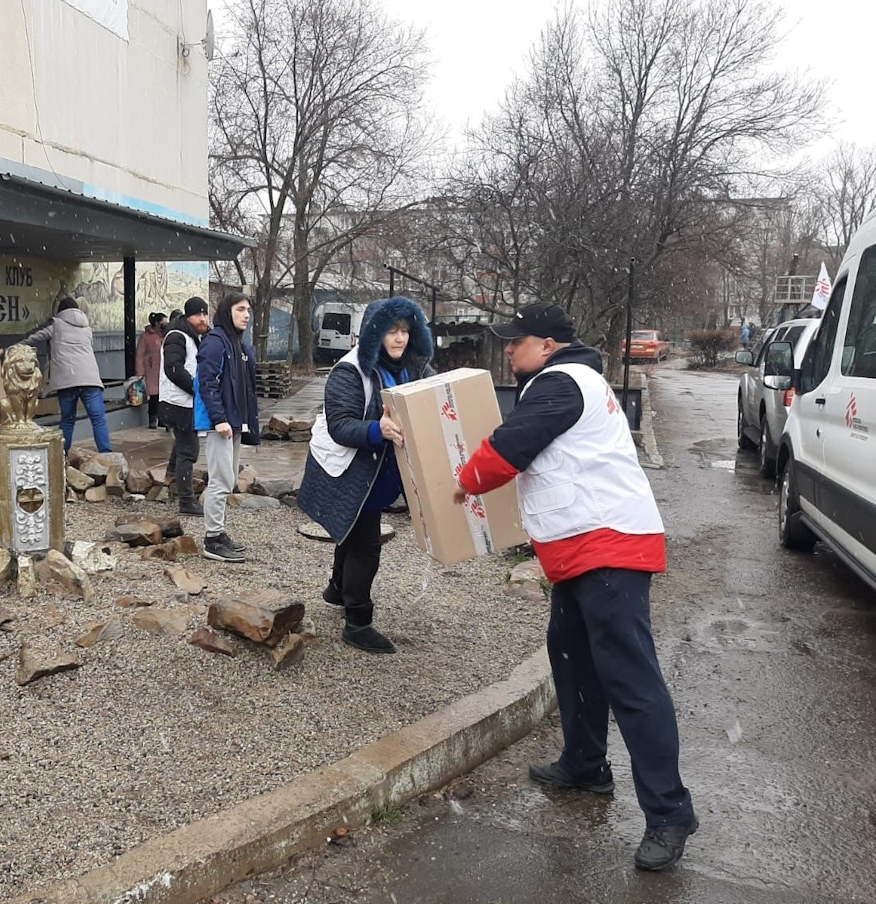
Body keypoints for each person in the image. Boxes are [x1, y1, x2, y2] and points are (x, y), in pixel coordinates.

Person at [451, 302, 696, 872]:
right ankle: (585, 765)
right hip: (583, 550)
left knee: (631, 681)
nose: (509, 349)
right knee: (571, 655)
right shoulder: (569, 379)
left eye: (517, 341)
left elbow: (510, 448)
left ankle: (670, 813)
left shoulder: (561, 382)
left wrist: (464, 481)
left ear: (547, 345)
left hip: (608, 548)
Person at [298, 297, 432, 654]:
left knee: (353, 528)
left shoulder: (416, 365)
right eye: (391, 330)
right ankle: (358, 622)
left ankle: (337, 589)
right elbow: (341, 425)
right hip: (351, 469)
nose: (400, 338)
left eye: (405, 330)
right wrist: (378, 429)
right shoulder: (349, 371)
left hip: (379, 469)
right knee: (365, 543)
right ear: (375, 332)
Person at [194, 292, 259, 562]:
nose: (246, 315)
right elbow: (206, 382)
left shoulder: (237, 344)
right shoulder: (215, 342)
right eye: (240, 309)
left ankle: (219, 534)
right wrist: (219, 419)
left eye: (248, 310)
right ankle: (212, 539)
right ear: (227, 311)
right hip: (218, 424)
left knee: (228, 480)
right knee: (220, 481)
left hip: (233, 422)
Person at [23, 297, 112, 453]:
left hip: (67, 380)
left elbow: (31, 337)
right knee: (98, 420)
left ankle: (62, 455)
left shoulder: (55, 324)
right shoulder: (87, 328)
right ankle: (106, 454)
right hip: (90, 379)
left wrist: (6, 349)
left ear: (60, 311)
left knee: (67, 421)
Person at [158, 297, 209, 516]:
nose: (203, 319)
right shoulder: (177, 336)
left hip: (182, 401)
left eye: (205, 314)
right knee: (189, 449)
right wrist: (196, 389)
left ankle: (171, 477)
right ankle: (186, 502)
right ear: (188, 317)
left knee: (182, 443)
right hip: (177, 402)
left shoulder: (192, 335)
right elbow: (173, 369)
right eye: (198, 315)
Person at [135, 312, 169, 428]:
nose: (166, 324)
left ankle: (162, 419)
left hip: (163, 370)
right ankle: (152, 419)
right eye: (163, 322)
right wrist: (140, 372)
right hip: (151, 370)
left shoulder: (165, 335)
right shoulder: (146, 337)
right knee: (154, 396)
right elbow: (139, 355)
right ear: (156, 323)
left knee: (163, 396)